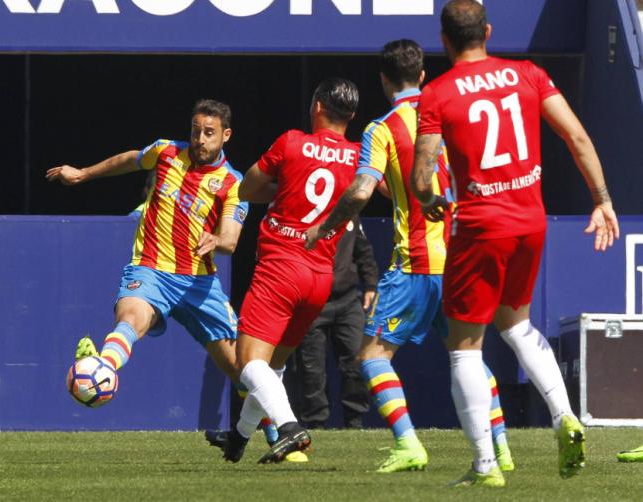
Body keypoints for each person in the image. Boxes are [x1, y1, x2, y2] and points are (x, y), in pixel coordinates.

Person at [411, 0, 619, 487]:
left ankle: (485, 466)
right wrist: (602, 200)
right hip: (530, 221)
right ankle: (565, 415)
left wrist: (429, 198)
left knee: (463, 347)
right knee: (515, 321)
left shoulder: (437, 94)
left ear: (444, 41)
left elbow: (423, 173)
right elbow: (578, 138)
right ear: (486, 30)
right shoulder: (528, 73)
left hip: (481, 227)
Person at [306, 39, 514, 474]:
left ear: (384, 80)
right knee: (469, 358)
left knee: (372, 357)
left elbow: (362, 190)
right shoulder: (454, 115)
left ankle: (409, 445)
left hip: (417, 265)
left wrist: (325, 228)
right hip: (462, 257)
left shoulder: (381, 129)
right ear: (422, 75)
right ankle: (502, 448)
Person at [46, 99, 247, 388]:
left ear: (225, 135)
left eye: (209, 133)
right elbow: (130, 159)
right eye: (195, 130)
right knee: (130, 319)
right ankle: (103, 367)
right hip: (150, 269)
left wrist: (217, 239)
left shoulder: (232, 183)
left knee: (240, 368)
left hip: (198, 283)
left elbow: (230, 239)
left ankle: (269, 427)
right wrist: (84, 173)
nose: (199, 139)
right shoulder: (166, 151)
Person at [212, 78, 361, 464]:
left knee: (249, 363)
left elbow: (246, 188)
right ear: (352, 116)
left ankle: (290, 427)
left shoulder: (292, 142)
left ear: (317, 107)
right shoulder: (359, 156)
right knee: (273, 367)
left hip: (281, 266)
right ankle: (239, 438)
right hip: (320, 277)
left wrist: (286, 189)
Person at [292, 215, 377, 430]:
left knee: (356, 361)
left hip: (348, 299)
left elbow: (364, 251)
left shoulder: (350, 212)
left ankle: (355, 423)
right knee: (312, 368)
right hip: (311, 301)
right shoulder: (302, 212)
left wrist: (370, 286)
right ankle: (315, 424)